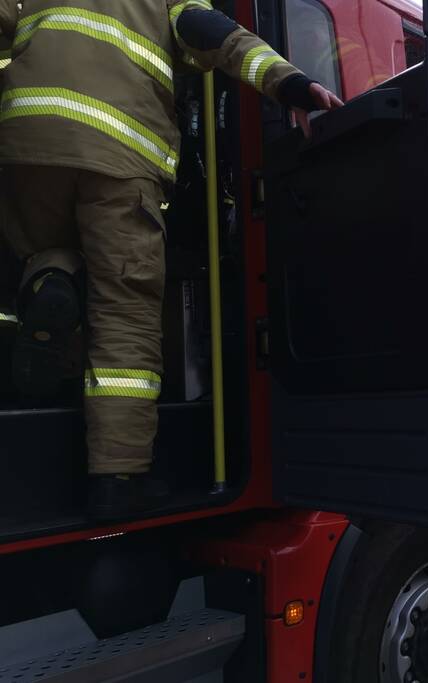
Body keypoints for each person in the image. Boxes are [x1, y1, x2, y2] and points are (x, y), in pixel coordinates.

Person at [0, 0, 343, 519]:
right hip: (120, 154)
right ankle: (118, 478)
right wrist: (287, 82)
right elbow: (216, 35)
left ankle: (51, 281)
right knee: (125, 311)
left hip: (26, 140)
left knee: (49, 252)